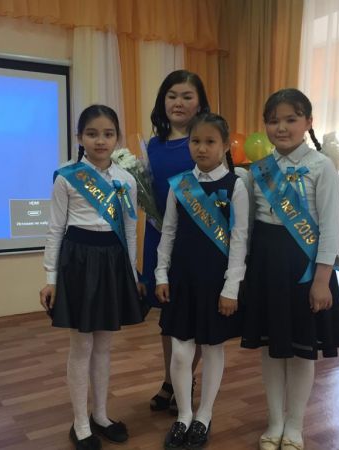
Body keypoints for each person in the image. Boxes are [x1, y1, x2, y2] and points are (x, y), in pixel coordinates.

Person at [240, 88, 339, 450]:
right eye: (274, 121)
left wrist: (322, 280)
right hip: (266, 267)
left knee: (302, 350)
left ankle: (295, 424)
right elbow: (249, 227)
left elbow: (331, 228)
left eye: (291, 119)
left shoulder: (322, 166)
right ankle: (274, 421)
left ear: (308, 122)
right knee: (271, 349)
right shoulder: (258, 170)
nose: (282, 127)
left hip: (305, 268)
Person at [39, 104, 144, 450]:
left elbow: (130, 230)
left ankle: (100, 415)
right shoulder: (66, 177)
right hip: (78, 262)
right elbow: (55, 230)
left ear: (117, 138)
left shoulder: (127, 180)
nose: (101, 141)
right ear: (79, 137)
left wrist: (131, 272)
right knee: (81, 345)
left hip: (112, 262)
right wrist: (51, 277)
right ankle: (80, 423)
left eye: (108, 134)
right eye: (92, 133)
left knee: (104, 345)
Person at [155, 112, 249, 449]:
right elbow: (168, 232)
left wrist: (231, 287)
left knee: (212, 348)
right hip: (182, 279)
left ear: (225, 146)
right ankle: (183, 414)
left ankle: (204, 414)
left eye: (210, 141)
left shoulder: (236, 185)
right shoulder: (179, 185)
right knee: (181, 352)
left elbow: (240, 239)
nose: (202, 148)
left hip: (216, 282)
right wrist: (161, 273)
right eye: (196, 141)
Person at [144, 70, 211, 414]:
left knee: (191, 313)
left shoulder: (205, 141)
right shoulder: (152, 145)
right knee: (168, 316)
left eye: (187, 96)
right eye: (172, 96)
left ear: (199, 102)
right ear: (163, 101)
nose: (179, 103)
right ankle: (170, 380)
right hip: (159, 236)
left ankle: (187, 378)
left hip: (197, 238)